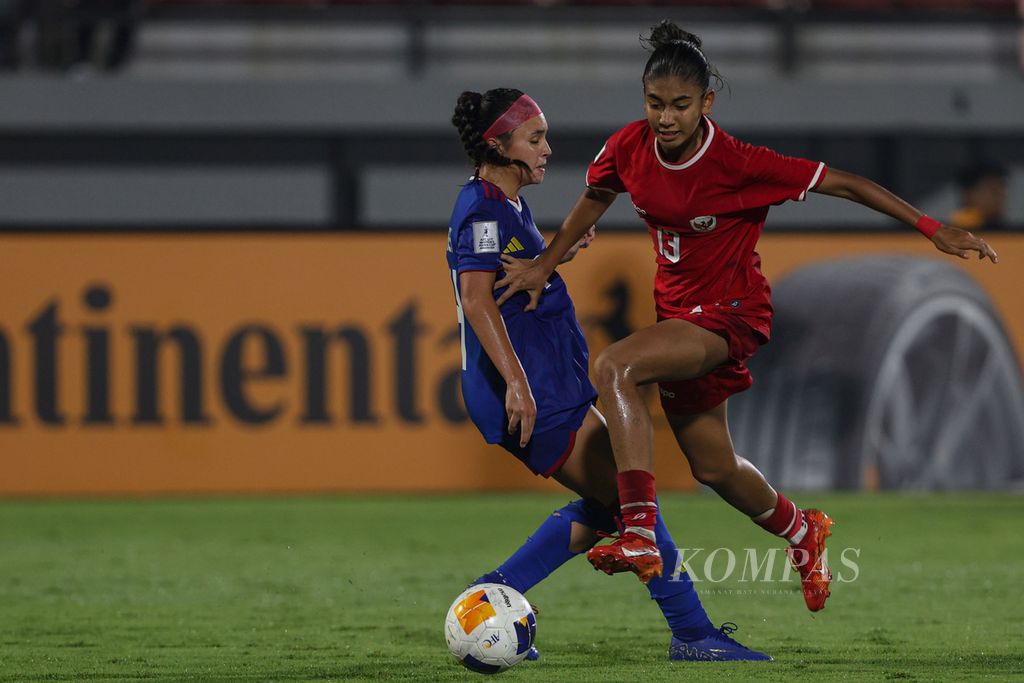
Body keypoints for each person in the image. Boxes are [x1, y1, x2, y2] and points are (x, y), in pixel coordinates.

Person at [494, 21, 999, 613]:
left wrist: (933, 228)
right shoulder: (627, 147)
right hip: (679, 316)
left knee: (616, 367)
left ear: (706, 103)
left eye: (681, 105)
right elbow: (598, 195)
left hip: (731, 316)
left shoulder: (737, 162)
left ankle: (637, 529)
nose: (666, 118)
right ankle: (803, 532)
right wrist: (546, 262)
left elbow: (847, 183)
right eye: (655, 104)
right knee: (714, 466)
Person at [447, 87, 771, 662]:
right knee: (631, 506)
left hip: (552, 385)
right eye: (536, 138)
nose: (548, 149)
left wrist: (558, 255)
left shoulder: (506, 206)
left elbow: (509, 282)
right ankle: (693, 635)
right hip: (533, 393)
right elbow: (477, 301)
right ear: (498, 144)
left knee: (610, 508)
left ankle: (487, 596)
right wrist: (518, 384)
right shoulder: (481, 209)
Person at [949, 162, 1010, 231]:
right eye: (993, 190)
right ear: (969, 194)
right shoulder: (953, 233)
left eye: (1002, 190)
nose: (1001, 196)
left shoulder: (1010, 234)